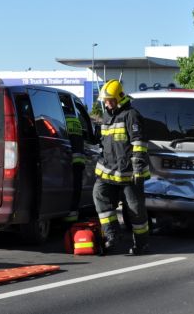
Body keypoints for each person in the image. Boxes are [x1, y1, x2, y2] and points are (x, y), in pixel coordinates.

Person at [93, 79, 151, 255]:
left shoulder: (131, 115)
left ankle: (142, 243)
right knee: (99, 194)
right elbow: (104, 143)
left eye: (110, 100)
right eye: (105, 100)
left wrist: (138, 168)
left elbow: (139, 143)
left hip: (130, 172)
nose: (107, 103)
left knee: (135, 209)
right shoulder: (106, 116)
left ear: (119, 97)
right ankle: (112, 236)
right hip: (109, 170)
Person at [60, 95, 86, 223]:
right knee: (76, 189)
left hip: (64, 159)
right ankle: (72, 219)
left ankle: (68, 218)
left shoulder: (61, 117)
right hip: (78, 159)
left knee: (66, 188)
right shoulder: (76, 119)